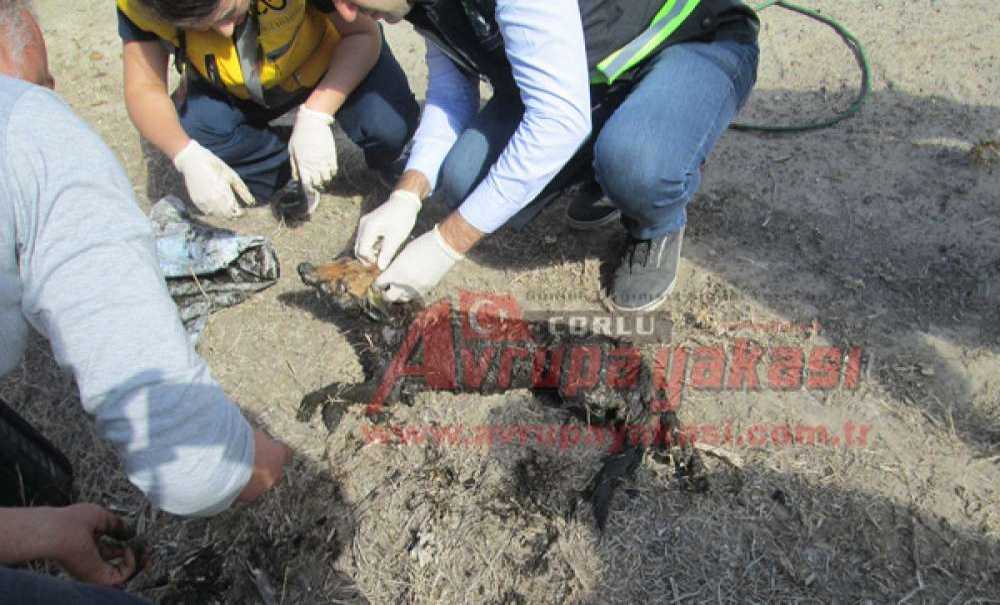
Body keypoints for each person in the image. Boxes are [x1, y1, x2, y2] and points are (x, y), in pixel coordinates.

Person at [0, 1, 290, 600]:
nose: (53, 91)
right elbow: (184, 460)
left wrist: (40, 532)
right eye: (46, 81)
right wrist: (250, 463)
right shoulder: (26, 132)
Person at [346, 0, 760, 312]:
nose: (346, 14)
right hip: (590, 72)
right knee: (464, 178)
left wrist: (446, 244)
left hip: (689, 38)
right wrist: (407, 195)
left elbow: (557, 123)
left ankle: (656, 220)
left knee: (637, 165)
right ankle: (610, 150)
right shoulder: (421, 6)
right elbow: (451, 93)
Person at [118, 0, 420, 218]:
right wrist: (184, 154)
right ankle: (288, 171)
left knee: (388, 125)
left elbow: (363, 36)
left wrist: (317, 114)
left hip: (322, 63)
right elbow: (144, 87)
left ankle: (388, 159)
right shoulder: (144, 5)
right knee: (197, 136)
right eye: (203, 26)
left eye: (227, 14)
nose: (223, 32)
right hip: (234, 89)